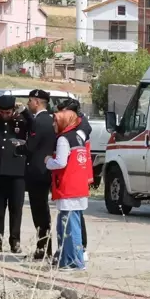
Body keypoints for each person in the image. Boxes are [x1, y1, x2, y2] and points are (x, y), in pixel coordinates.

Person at [45, 109, 90, 270]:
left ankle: (72, 262)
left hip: (68, 186)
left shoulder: (63, 139)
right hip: (78, 186)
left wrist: (48, 161)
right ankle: (74, 260)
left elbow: (61, 162)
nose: (53, 124)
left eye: (56, 121)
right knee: (74, 224)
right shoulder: (78, 136)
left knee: (68, 226)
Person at [17, 89, 56, 260]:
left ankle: (43, 250)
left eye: (30, 101)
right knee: (43, 212)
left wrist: (17, 148)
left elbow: (31, 147)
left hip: (37, 171)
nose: (28, 104)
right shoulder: (51, 119)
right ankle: (44, 249)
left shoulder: (39, 122)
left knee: (39, 212)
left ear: (37, 102)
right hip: (46, 170)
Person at [0, 95, 28, 254]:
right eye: (2, 112)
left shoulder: (21, 121)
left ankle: (15, 241)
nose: (5, 115)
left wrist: (23, 111)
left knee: (16, 209)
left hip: (17, 171)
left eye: (8, 112)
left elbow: (33, 124)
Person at [58, 98, 93, 262]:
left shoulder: (81, 128)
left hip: (75, 174)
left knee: (75, 218)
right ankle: (68, 253)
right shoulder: (72, 127)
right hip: (72, 173)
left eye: (62, 111)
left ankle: (80, 250)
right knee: (71, 217)